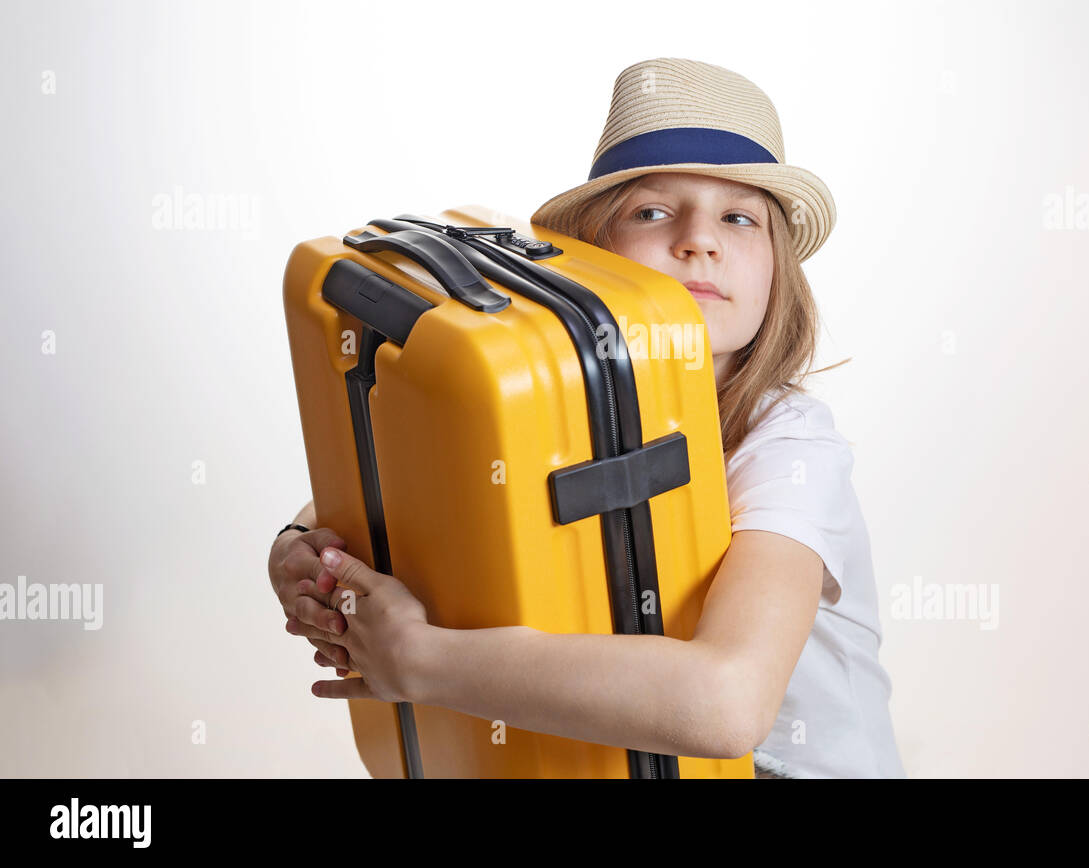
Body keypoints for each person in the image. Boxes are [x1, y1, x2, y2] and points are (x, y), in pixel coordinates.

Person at [268, 57, 906, 778]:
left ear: (777, 272)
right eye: (653, 212)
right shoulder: (569, 401)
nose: (699, 238)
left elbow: (729, 703)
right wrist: (302, 545)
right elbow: (434, 481)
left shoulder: (791, 444)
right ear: (594, 259)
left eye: (738, 217)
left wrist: (425, 661)